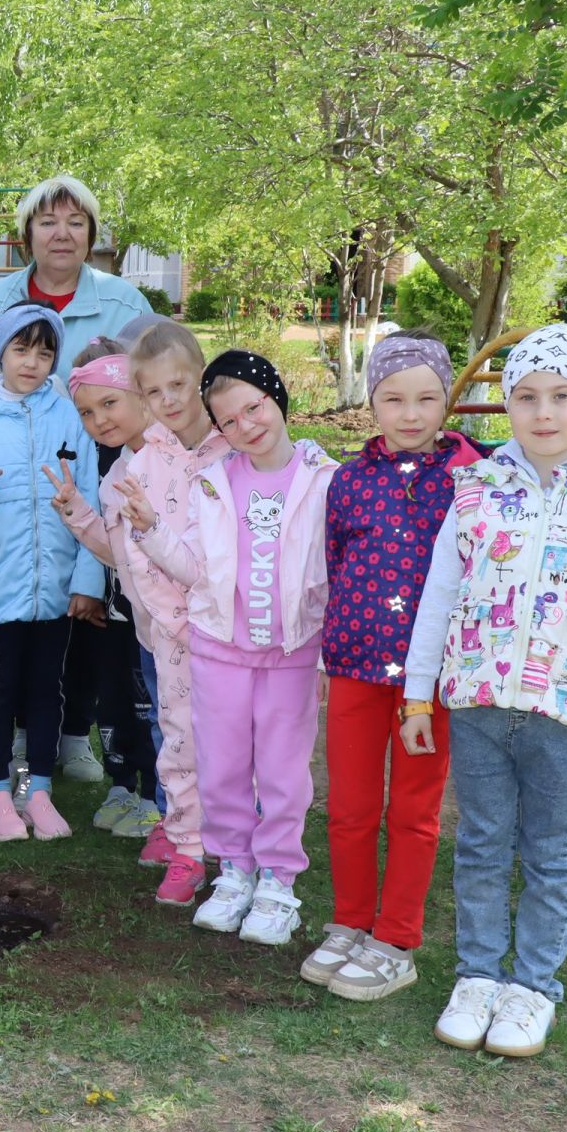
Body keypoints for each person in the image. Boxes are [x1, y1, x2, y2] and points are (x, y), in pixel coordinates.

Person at [404, 324, 567, 1058]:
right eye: (527, 397)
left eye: (562, 397)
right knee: (481, 844)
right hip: (478, 705)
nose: (544, 413)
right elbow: (439, 596)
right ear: (507, 406)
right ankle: (478, 976)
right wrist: (421, 694)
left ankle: (533, 987)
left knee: (551, 853)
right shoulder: (476, 490)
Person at [123, 352, 338, 945]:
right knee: (222, 767)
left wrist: (325, 657)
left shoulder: (324, 479)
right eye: (230, 422)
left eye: (255, 407)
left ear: (277, 398)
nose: (247, 425)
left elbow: (337, 573)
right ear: (219, 431)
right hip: (219, 651)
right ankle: (234, 871)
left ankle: (277, 881)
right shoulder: (214, 483)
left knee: (282, 772)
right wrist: (149, 529)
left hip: (292, 656)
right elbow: (191, 566)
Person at [306, 332, 483, 1001]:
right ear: (371, 404)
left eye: (426, 399)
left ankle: (398, 935)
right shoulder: (348, 480)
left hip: (430, 678)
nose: (410, 415)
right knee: (350, 806)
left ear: (446, 402)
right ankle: (351, 920)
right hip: (354, 663)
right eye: (393, 400)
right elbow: (335, 565)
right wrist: (329, 651)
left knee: (413, 808)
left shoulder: (473, 479)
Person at [0, 303, 104, 842]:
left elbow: (92, 504)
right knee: (0, 688)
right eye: (20, 349)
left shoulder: (66, 415)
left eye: (44, 351)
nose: (31, 362)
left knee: (45, 690)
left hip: (55, 585)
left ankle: (37, 788)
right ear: (2, 352)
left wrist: (88, 580)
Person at [119, 320, 231, 905]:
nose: (170, 401)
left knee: (238, 738)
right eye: (155, 392)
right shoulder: (143, 465)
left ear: (201, 377)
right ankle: (188, 844)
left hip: (237, 630)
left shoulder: (236, 449)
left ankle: (241, 848)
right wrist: (174, 619)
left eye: (179, 385)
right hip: (176, 632)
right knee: (181, 735)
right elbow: (138, 556)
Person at [51, 346, 165, 837]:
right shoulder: (117, 469)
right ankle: (130, 785)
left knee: (164, 714)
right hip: (129, 614)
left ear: (140, 394)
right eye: (86, 413)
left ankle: (162, 804)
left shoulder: (173, 458)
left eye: (109, 404)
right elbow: (116, 552)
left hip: (176, 623)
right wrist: (76, 510)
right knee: (123, 701)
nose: (98, 420)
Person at [0, 176, 153, 379]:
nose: (62, 234)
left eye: (76, 223)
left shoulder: (128, 306)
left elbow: (157, 382)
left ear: (90, 236)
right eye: (48, 222)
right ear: (28, 234)